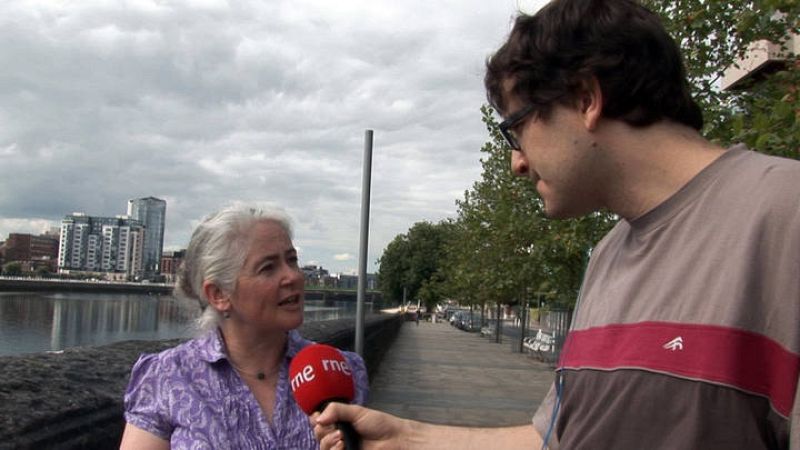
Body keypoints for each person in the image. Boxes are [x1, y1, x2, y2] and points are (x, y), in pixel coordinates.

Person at [313, 0, 800, 448]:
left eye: (516, 129)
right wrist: (406, 437)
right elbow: (558, 439)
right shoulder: (609, 252)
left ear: (587, 98)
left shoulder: (785, 214)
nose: (516, 163)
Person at [119, 204, 369, 449]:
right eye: (268, 267)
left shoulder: (341, 371)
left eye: (292, 260)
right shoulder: (167, 377)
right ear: (219, 294)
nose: (293, 276)